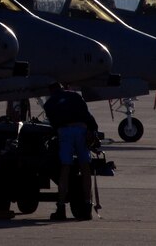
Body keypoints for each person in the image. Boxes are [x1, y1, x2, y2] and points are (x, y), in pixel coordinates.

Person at [43, 82, 98, 221]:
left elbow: (54, 126)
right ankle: (87, 207)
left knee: (65, 168)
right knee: (85, 168)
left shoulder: (49, 104)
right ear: (63, 87)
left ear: (50, 90)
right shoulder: (75, 96)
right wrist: (93, 131)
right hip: (81, 130)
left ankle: (61, 208)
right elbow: (88, 116)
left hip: (65, 132)